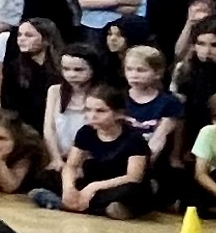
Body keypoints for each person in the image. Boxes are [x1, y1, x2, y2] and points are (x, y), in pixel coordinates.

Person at [54, 85, 154, 219]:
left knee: (133, 191)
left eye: (100, 111)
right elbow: (71, 165)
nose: (92, 116)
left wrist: (93, 187)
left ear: (118, 113)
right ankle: (90, 205)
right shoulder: (86, 132)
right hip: (95, 180)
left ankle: (69, 203)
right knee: (49, 176)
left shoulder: (133, 138)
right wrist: (68, 188)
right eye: (88, 110)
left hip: (117, 184)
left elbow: (133, 177)